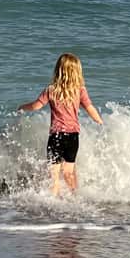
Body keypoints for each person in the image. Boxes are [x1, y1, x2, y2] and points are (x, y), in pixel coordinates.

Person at [17, 52, 103, 195]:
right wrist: (99, 120)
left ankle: (54, 205)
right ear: (77, 72)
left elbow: (36, 106)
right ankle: (76, 197)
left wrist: (22, 107)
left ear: (58, 70)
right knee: (69, 172)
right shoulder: (80, 90)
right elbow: (90, 107)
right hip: (72, 137)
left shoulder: (51, 90)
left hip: (56, 136)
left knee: (54, 176)